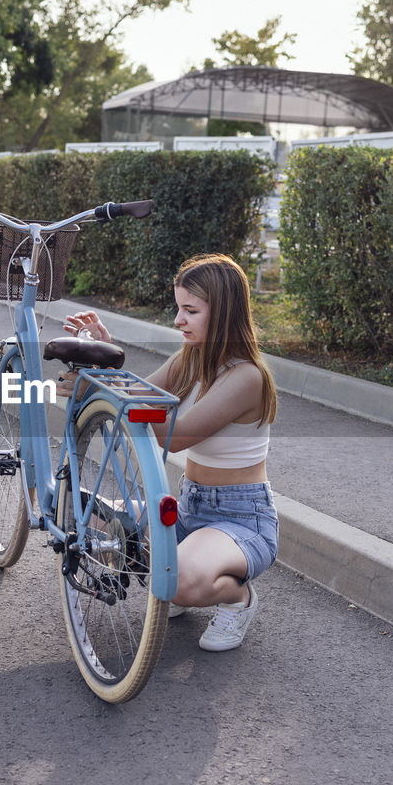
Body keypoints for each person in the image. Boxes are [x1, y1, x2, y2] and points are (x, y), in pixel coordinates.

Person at [60, 253, 278, 651]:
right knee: (83, 515)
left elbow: (176, 435)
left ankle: (237, 599)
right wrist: (104, 363)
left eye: (190, 310)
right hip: (190, 505)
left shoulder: (247, 376)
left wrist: (102, 384)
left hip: (241, 520)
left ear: (224, 313)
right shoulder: (191, 359)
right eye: (179, 308)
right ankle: (176, 577)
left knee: (174, 581)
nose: (178, 320)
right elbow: (139, 394)